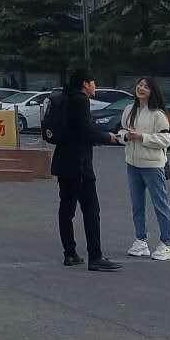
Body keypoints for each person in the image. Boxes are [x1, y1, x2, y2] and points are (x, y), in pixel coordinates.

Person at [51, 68, 122, 271]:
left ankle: (70, 253)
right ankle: (95, 256)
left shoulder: (64, 97)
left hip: (63, 161)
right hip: (79, 164)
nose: (95, 86)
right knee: (91, 210)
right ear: (85, 84)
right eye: (93, 82)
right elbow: (86, 130)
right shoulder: (81, 100)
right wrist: (108, 137)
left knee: (66, 209)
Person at [121, 76, 170, 261]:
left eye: (146, 86)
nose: (141, 88)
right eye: (140, 85)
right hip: (132, 164)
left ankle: (166, 243)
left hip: (152, 165)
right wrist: (126, 136)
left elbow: (166, 139)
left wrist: (142, 137)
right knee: (137, 205)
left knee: (160, 205)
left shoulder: (158, 114)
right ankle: (140, 240)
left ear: (152, 91)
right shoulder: (129, 110)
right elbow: (122, 131)